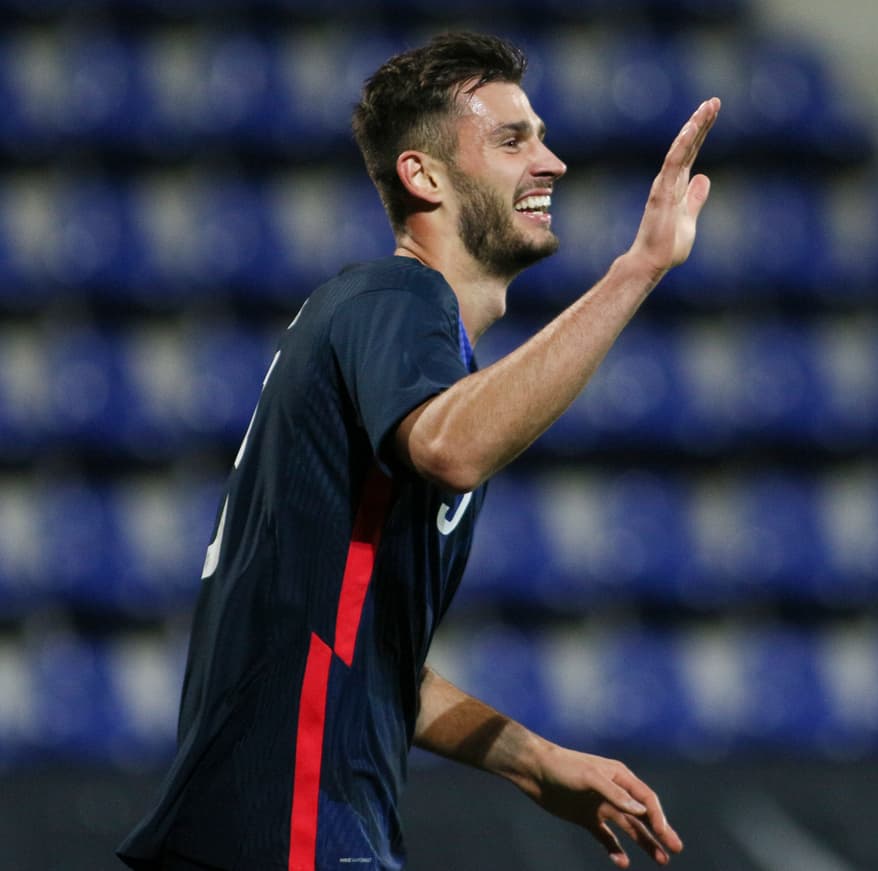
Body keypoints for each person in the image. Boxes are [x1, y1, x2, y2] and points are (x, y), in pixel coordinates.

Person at [117, 30, 719, 871]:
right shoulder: (396, 295)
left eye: (540, 135)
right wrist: (638, 269)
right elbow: (453, 446)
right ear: (423, 174)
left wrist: (531, 757)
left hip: (286, 821)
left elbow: (354, 650)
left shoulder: (387, 337)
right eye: (513, 139)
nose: (552, 162)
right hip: (290, 825)